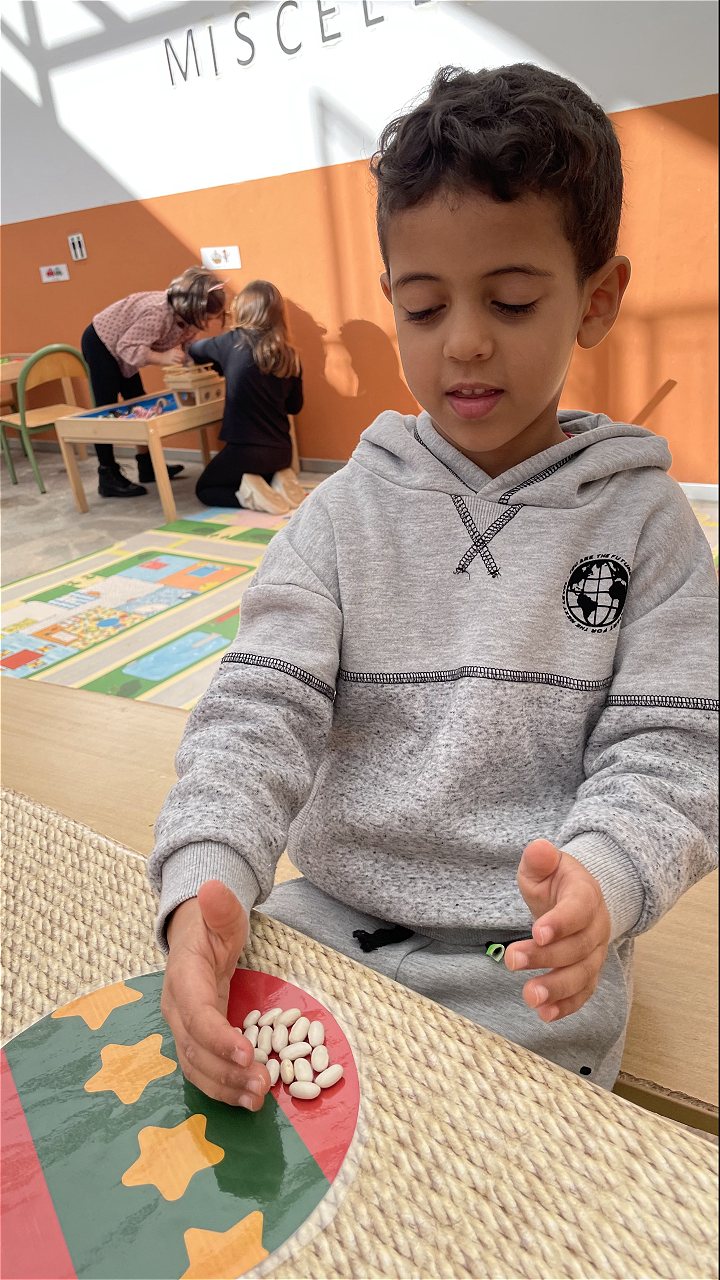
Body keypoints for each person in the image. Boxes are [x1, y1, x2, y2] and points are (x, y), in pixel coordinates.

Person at [149, 64, 718, 1112]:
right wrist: (207, 882)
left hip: (532, 964)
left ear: (597, 300)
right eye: (423, 306)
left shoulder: (647, 527)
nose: (463, 340)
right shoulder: (339, 517)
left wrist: (605, 875)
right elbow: (255, 713)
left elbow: (677, 747)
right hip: (328, 923)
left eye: (511, 300)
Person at [81, 267, 227, 498]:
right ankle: (107, 473)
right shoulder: (157, 313)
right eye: (206, 319)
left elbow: (189, 348)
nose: (208, 325)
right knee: (106, 407)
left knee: (136, 400)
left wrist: (201, 367)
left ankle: (147, 465)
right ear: (192, 309)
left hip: (123, 348)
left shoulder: (187, 318)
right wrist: (162, 358)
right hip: (102, 343)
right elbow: (127, 347)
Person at [187, 280, 305, 514]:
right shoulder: (290, 355)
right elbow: (295, 406)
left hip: (244, 452)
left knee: (206, 489)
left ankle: (253, 497)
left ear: (242, 310)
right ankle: (277, 481)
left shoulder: (231, 342)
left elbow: (195, 350)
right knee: (252, 475)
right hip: (282, 453)